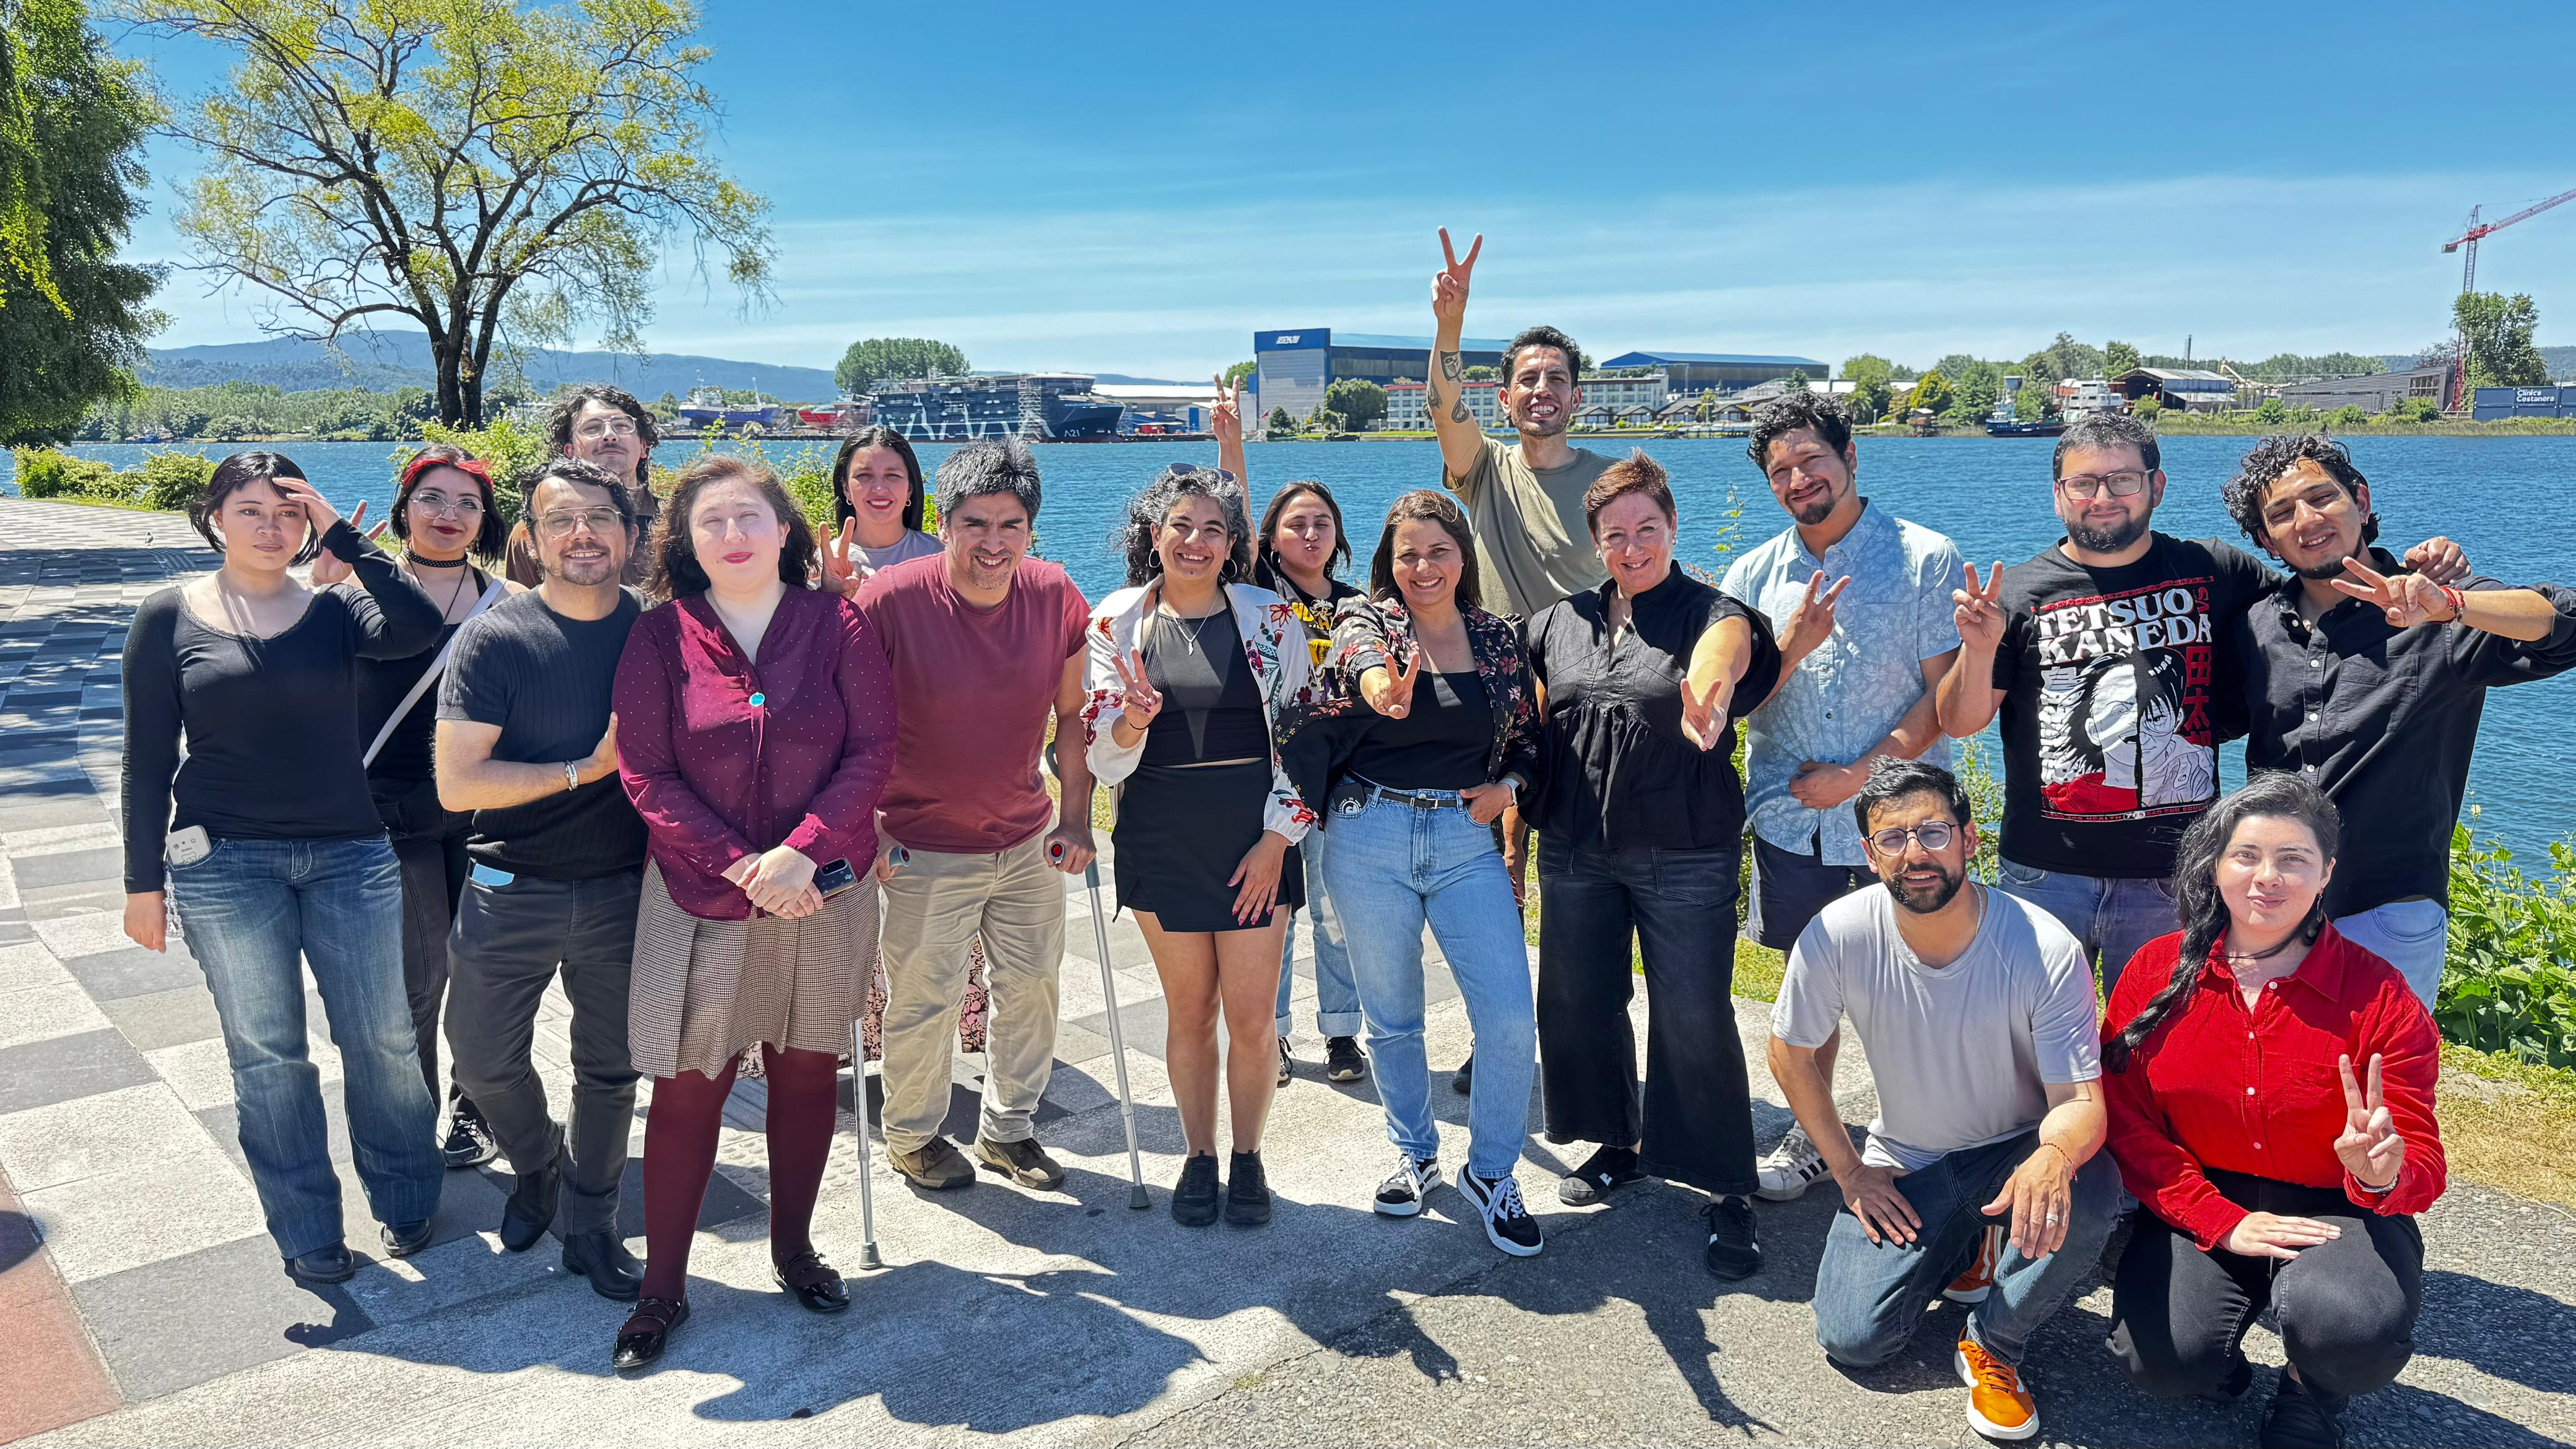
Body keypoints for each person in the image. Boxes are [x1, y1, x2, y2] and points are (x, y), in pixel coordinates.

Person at [1935, 411, 2468, 995]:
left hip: (2174, 878)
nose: (2103, 497)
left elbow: (2317, 596)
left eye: (2123, 480)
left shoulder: (2215, 568)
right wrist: (1979, 649)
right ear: (2059, 495)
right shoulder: (2018, 593)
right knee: (2029, 1033)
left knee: (2157, 1044)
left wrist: (2429, 579)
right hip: (2044, 873)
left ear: (2156, 486)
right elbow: (1961, 722)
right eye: (2083, 483)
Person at [119, 451, 446, 1285]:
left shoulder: (337, 612)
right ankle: (306, 1229)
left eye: (289, 512)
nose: (273, 528)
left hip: (350, 855)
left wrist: (346, 536)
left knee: (382, 1038)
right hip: (224, 864)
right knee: (267, 1053)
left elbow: (414, 626)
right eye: (252, 510)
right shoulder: (167, 616)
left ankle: (406, 1200)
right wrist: (141, 884)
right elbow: (146, 760)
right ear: (216, 516)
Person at [606, 455, 897, 1370]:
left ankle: (794, 1249)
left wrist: (801, 850)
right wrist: (742, 863)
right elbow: (645, 772)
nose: (733, 536)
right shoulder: (661, 637)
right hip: (702, 897)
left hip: (825, 891)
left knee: (809, 1071)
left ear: (784, 530)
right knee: (691, 1085)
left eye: (749, 518)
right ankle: (664, 1288)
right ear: (686, 545)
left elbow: (874, 749)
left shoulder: (836, 621)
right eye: (711, 523)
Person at [1769, 760, 2118, 1443]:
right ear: (1868, 857)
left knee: (2093, 1185)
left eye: (1933, 830)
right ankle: (1971, 1244)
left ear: (1969, 839)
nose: (1914, 852)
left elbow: (2080, 1101)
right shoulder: (1837, 933)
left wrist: (2052, 1154)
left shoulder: (2041, 945)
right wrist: (1848, 1172)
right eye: (1891, 838)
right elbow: (1789, 1055)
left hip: (2013, 1151)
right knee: (1854, 1339)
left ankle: (1993, 1344)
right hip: (1907, 1163)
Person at [2101, 773, 2445, 1449]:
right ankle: (2217, 1362)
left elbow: (2422, 1160)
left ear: (2325, 875)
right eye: (2247, 856)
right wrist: (2217, 1220)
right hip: (2204, 1192)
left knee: (2350, 1330)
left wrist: (2381, 1169)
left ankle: (2311, 1384)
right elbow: (2124, 1118)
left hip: (2338, 1205)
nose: (2267, 877)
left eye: (2293, 859)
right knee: (2159, 1360)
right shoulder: (2154, 972)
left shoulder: (2378, 994)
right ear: (2215, 865)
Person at [1522, 451, 1783, 1278]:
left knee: (1694, 1019)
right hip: (1574, 848)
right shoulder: (1558, 622)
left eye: (1647, 529)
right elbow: (1514, 705)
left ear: (1672, 529)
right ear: (1594, 540)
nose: (1631, 545)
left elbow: (1727, 654)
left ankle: (1722, 1189)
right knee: (1578, 1003)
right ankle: (1618, 1141)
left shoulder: (1714, 612)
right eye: (1614, 534)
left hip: (1686, 852)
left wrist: (1707, 695)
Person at [1277, 490, 1544, 1258]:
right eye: (1406, 554)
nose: (1422, 567)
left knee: (1505, 1016)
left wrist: (1511, 790)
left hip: (1465, 838)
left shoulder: (1496, 638)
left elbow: (1526, 737)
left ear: (1462, 557)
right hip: (1371, 831)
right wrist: (1380, 690)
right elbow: (1359, 660)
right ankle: (1416, 1152)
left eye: (1437, 551)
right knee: (1392, 1017)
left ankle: (1491, 1172)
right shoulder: (1370, 620)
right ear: (1387, 565)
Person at [2217, 433, 2576, 1006]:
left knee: (2382, 1088)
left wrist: (2452, 606)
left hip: (2385, 910)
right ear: (2266, 539)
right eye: (2282, 513)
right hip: (2273, 904)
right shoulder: (2255, 627)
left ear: (2360, 500)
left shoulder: (2439, 605)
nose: (2308, 520)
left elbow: (2561, 623)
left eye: (2322, 498)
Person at [1721, 392, 1965, 1208]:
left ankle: (1937, 1141)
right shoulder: (1751, 577)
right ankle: (1813, 1138)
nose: (1798, 479)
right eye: (1780, 470)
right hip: (1793, 823)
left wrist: (1857, 777)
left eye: (1810, 459)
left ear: (1850, 456)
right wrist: (1790, 648)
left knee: (1925, 982)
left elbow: (1943, 699)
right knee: (1811, 987)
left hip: (1903, 828)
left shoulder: (1925, 557)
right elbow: (1735, 705)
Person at [856, 440, 1097, 1194]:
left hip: (1025, 836)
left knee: (1032, 987)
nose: (993, 543)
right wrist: (870, 829)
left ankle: (1008, 1130)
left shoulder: (1055, 594)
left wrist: (1079, 817)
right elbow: (848, 724)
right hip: (922, 843)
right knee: (923, 1003)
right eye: (975, 524)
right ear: (943, 520)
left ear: (1031, 531)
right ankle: (913, 1137)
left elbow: (1072, 716)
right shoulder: (890, 599)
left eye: (1011, 526)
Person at [435, 456, 649, 1301]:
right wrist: (583, 771)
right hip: (507, 884)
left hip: (625, 889)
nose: (582, 534)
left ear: (631, 536)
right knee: (482, 1061)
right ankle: (537, 1167)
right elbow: (458, 785)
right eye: (560, 521)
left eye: (599, 518)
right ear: (530, 539)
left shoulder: (658, 632)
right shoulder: (494, 638)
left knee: (611, 1070)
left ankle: (592, 1225)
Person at [1082, 463, 1318, 1226]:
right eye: (1181, 526)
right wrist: (1133, 720)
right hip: (1159, 834)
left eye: (1213, 529)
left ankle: (1247, 1157)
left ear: (1231, 544)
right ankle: (1198, 1155)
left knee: (1251, 1019)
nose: (1195, 541)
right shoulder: (1113, 622)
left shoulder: (1270, 618)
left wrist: (1277, 841)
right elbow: (1100, 756)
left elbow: (1307, 738)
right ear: (1156, 536)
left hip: (1254, 838)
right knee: (1189, 1013)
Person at [331, 445, 515, 1172]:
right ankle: (409, 1132)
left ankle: (476, 1114)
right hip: (388, 818)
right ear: (403, 508)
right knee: (414, 984)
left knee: (482, 973)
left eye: (467, 503)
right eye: (433, 499)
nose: (450, 515)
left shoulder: (508, 604)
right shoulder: (353, 599)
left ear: (484, 520)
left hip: (481, 821)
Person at [813, 425, 995, 1064]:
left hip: (931, 750)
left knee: (944, 899)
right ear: (843, 485)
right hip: (840, 757)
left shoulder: (938, 553)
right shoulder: (816, 563)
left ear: (913, 486)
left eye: (893, 475)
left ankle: (952, 1030)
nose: (879, 488)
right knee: (848, 897)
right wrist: (828, 596)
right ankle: (857, 1041)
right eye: (864, 475)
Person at [1422, 227, 1610, 618]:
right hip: (1502, 671)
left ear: (1576, 398)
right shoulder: (1486, 468)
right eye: (1528, 380)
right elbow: (1445, 406)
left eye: (1557, 379)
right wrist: (1450, 322)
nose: (1542, 390)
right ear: (1505, 400)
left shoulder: (1613, 480)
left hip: (1589, 672)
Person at [1251, 477, 1368, 1087]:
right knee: (1276, 910)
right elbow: (1231, 516)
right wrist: (1232, 443)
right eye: (1296, 522)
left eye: (1322, 521)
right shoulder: (1257, 592)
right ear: (1270, 536)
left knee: (1333, 912)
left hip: (1338, 782)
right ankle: (1269, 1033)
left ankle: (1342, 1032)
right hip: (1268, 779)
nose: (1311, 533)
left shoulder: (1356, 605)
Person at [504, 384, 663, 588]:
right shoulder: (535, 533)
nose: (610, 435)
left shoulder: (677, 524)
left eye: (622, 426)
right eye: (592, 428)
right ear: (570, 452)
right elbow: (522, 613)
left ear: (643, 447)